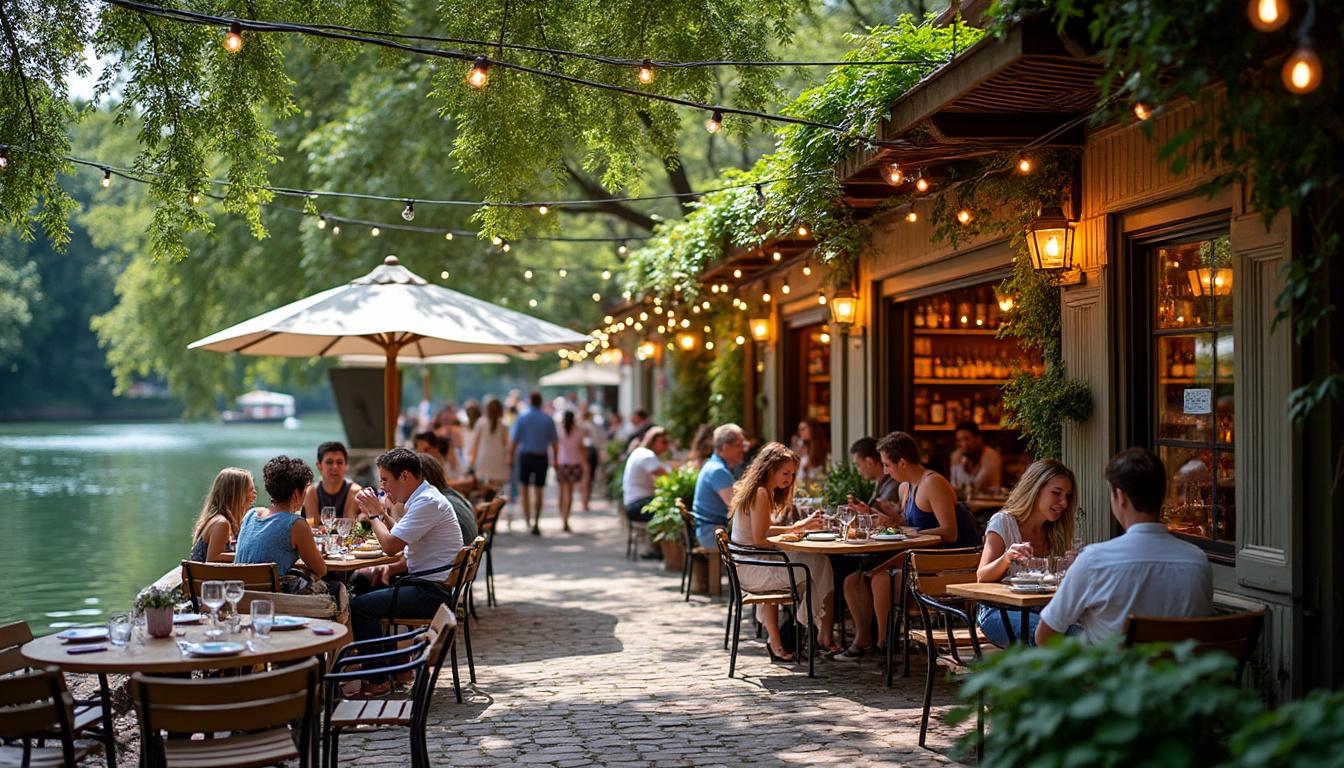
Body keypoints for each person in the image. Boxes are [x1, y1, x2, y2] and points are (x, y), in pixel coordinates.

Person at [1036, 448, 1212, 646]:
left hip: (1114, 675)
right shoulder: (1197, 561)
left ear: (1120, 496)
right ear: (1163, 496)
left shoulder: (1094, 561)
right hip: (1178, 675)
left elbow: (1044, 636)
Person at [835, 432, 981, 660]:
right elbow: (903, 525)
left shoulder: (933, 483)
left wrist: (907, 533)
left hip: (944, 565)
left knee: (880, 577)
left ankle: (885, 647)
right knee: (852, 581)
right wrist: (871, 513)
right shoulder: (906, 488)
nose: (885, 471)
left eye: (886, 465)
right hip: (916, 558)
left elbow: (949, 532)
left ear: (902, 462)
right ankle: (864, 641)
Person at [346, 448, 464, 696]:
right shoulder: (425, 498)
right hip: (430, 585)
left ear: (405, 477)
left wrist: (375, 514)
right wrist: (385, 517)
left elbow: (390, 547)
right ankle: (395, 667)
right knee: (366, 584)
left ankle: (377, 680)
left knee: (360, 607)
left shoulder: (427, 502)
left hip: (432, 594)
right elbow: (400, 536)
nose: (382, 486)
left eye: (385, 479)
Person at [729, 442, 841, 659]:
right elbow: (761, 539)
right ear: (770, 469)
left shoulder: (760, 490)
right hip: (754, 568)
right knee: (820, 564)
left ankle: (783, 640)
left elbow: (762, 533)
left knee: (814, 561)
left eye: (793, 474)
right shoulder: (761, 493)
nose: (789, 478)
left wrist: (796, 529)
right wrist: (798, 528)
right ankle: (806, 626)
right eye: (785, 472)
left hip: (749, 564)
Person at [975, 459, 1077, 647]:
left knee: (1085, 637)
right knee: (1049, 638)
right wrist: (1007, 557)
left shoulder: (1058, 531)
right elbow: (981, 577)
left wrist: (1076, 568)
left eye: (1068, 496)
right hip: (999, 612)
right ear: (1035, 490)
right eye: (1056, 493)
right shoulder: (1003, 522)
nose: (1063, 502)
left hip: (1043, 612)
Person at [235, 456, 328, 592]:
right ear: (296, 494)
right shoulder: (296, 524)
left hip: (239, 595)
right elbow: (321, 569)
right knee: (337, 588)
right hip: (271, 600)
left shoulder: (251, 514)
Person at [509, 391, 559, 536]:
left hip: (525, 456)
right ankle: (536, 521)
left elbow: (514, 441)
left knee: (524, 489)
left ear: (530, 401)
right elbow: (554, 443)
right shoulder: (547, 419)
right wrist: (555, 459)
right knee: (539, 490)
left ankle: (527, 520)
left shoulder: (523, 417)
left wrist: (510, 457)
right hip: (541, 457)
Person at [692, 424, 747, 550]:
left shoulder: (713, 465)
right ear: (725, 447)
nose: (743, 449)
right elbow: (736, 508)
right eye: (739, 445)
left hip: (709, 531)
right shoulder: (718, 471)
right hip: (713, 534)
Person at [189, 467, 255, 563]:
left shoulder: (229, 522)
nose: (254, 494)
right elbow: (213, 558)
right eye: (250, 490)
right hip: (207, 577)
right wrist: (248, 556)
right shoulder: (221, 523)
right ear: (237, 494)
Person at [622, 427, 670, 557]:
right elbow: (665, 476)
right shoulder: (646, 455)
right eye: (663, 442)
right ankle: (658, 550)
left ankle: (658, 549)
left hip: (632, 503)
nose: (667, 446)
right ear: (653, 441)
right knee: (669, 511)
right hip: (637, 506)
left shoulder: (640, 452)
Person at [416, 451, 478, 544]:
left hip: (454, 556)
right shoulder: (452, 494)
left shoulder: (434, 503)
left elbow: (400, 542)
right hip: (465, 554)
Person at [841, 437, 901, 523]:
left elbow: (884, 522)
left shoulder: (893, 486)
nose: (858, 471)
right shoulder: (881, 484)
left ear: (869, 462)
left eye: (858, 465)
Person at [302, 441, 363, 523]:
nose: (335, 467)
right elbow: (313, 525)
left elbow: (348, 524)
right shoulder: (311, 491)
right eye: (329, 462)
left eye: (339, 462)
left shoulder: (355, 491)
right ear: (319, 465)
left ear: (346, 466)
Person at [554, 410, 589, 533]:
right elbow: (582, 449)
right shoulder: (578, 432)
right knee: (569, 493)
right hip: (574, 464)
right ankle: (566, 518)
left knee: (561, 492)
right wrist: (585, 465)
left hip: (562, 464)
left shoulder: (559, 431)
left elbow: (555, 448)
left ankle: (562, 516)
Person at [468, 398, 511, 492]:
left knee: (483, 491)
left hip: (483, 462)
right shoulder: (503, 426)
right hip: (498, 462)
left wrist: (472, 463)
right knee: (497, 492)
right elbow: (507, 447)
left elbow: (474, 445)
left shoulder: (480, 423)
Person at [950, 421, 1002, 493]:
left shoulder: (991, 455)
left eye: (966, 439)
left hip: (987, 502)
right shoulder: (956, 456)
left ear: (978, 438)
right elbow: (953, 486)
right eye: (959, 440)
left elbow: (987, 487)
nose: (963, 444)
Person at [579, 407, 606, 512]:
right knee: (589, 478)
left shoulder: (580, 426)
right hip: (590, 452)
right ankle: (585, 500)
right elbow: (599, 441)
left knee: (585, 478)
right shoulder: (592, 426)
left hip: (585, 453)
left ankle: (584, 500)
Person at [793, 418, 830, 485]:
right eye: (799, 430)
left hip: (816, 486)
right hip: (801, 486)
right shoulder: (800, 446)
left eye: (803, 429)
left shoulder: (820, 448)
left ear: (812, 429)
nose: (800, 432)